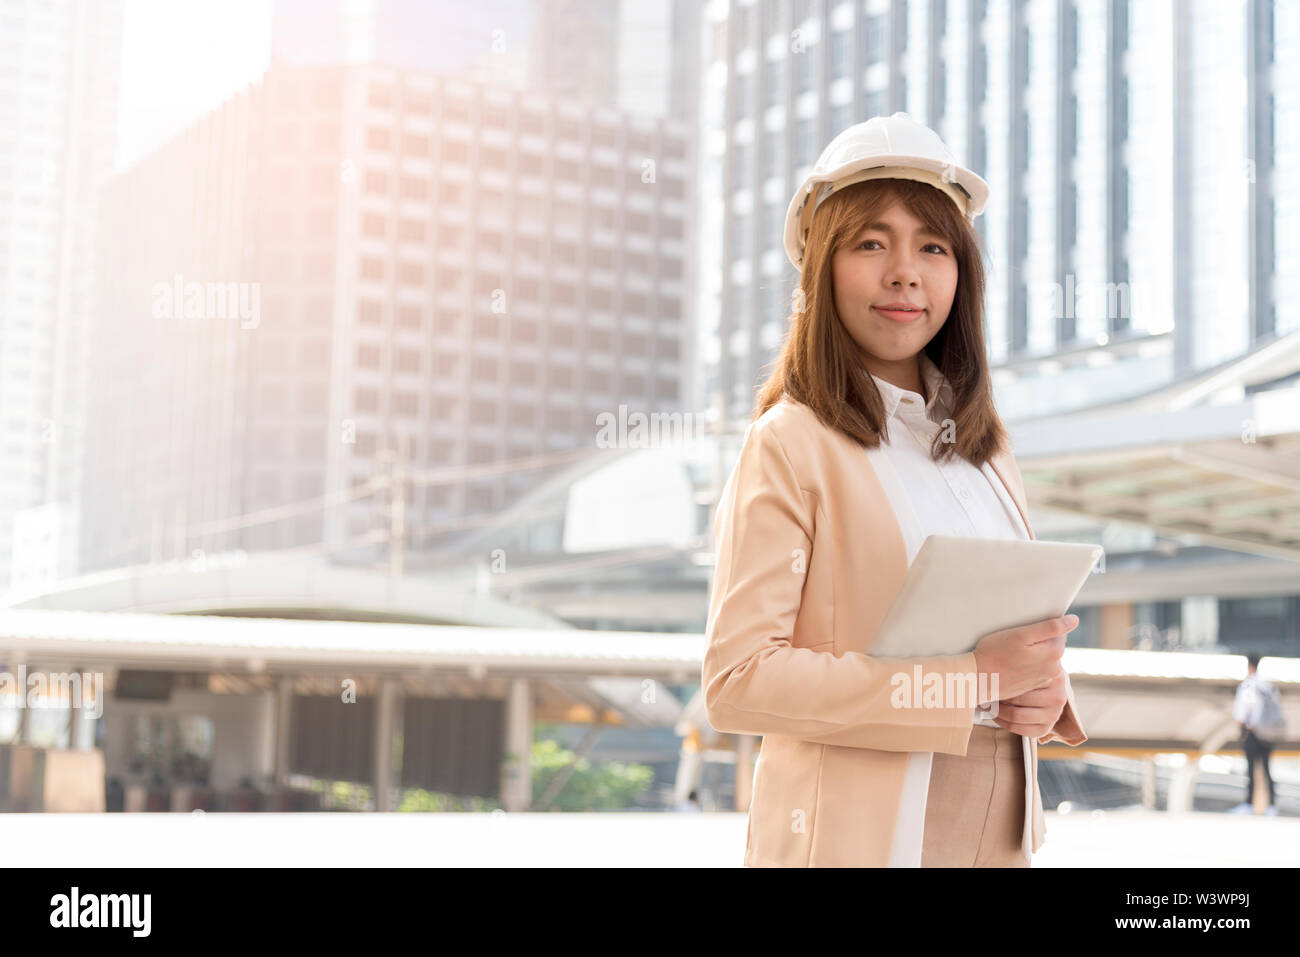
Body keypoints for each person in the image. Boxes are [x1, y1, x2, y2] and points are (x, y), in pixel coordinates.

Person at [701, 113, 1088, 868]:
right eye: (871, 243)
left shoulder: (987, 448)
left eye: (933, 246)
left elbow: (995, 641)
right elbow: (739, 681)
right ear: (822, 272)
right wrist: (970, 682)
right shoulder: (790, 441)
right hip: (857, 841)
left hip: (998, 836)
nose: (905, 271)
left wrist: (1040, 694)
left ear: (961, 273)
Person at [1230, 653, 1279, 815]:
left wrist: (1241, 727)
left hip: (1252, 732)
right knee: (1267, 768)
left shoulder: (1248, 686)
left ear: (1249, 666)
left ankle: (1249, 804)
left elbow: (1242, 711)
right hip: (1268, 732)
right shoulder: (1269, 686)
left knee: (1251, 769)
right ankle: (1272, 805)